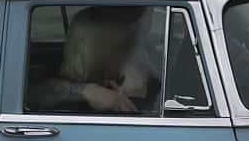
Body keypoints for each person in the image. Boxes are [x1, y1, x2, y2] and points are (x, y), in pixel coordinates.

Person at [26, 6, 154, 113]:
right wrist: (87, 91)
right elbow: (32, 95)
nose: (127, 54)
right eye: (121, 47)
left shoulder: (129, 79)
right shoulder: (54, 81)